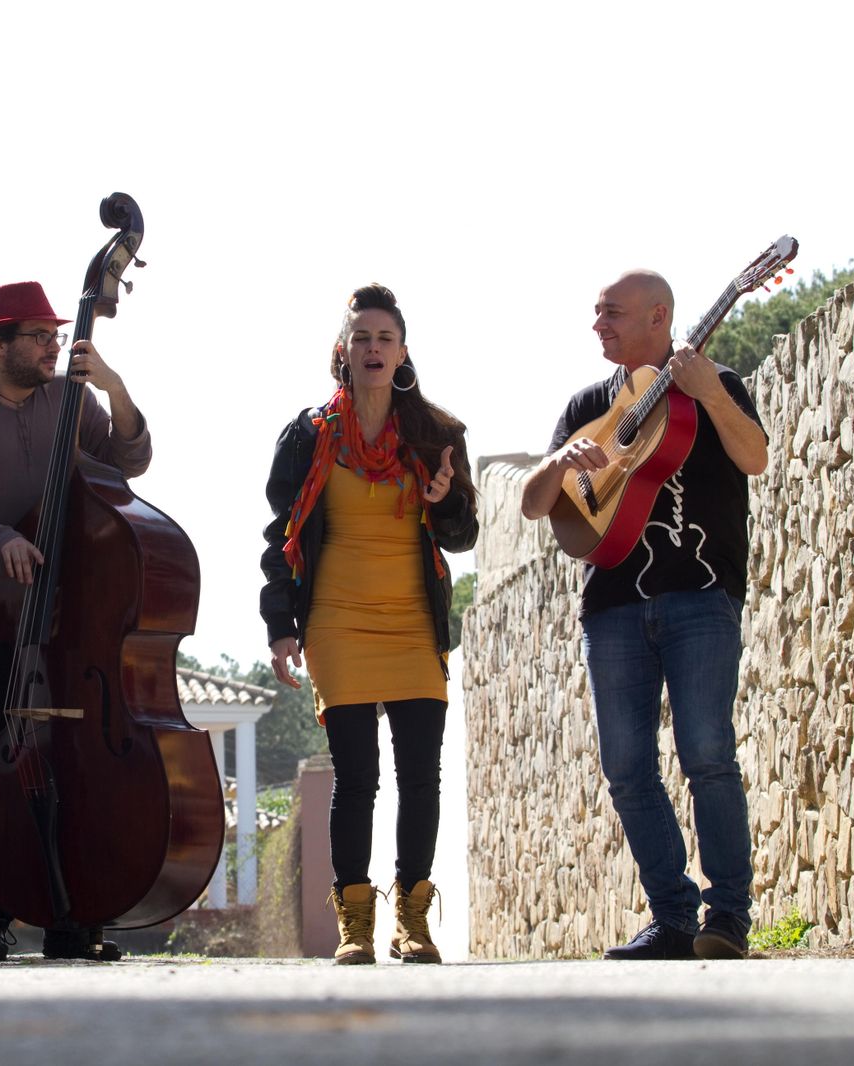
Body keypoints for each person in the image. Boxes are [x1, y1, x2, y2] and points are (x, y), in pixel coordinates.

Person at [519, 269, 769, 961]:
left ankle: (728, 919)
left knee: (708, 755)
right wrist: (559, 462)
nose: (600, 326)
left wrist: (710, 392)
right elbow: (537, 505)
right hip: (613, 606)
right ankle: (673, 918)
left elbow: (755, 458)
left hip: (702, 594)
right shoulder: (588, 404)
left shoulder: (716, 382)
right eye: (597, 314)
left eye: (614, 314)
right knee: (627, 767)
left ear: (660, 317)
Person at [0, 281, 151, 962]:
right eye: (39, 337)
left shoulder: (67, 400)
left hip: (55, 623)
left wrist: (113, 387)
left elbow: (128, 464)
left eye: (55, 335)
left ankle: (68, 916)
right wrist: (0, 541)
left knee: (72, 767)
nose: (55, 346)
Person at [259, 283, 478, 965]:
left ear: (403, 351)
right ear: (343, 352)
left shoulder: (436, 436)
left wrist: (443, 504)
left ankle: (413, 920)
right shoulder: (309, 436)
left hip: (413, 620)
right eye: (362, 337)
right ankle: (355, 923)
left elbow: (463, 535)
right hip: (338, 621)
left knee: (421, 775)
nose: (374, 348)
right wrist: (280, 622)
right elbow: (282, 535)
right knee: (357, 777)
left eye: (385, 338)